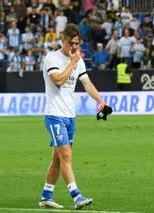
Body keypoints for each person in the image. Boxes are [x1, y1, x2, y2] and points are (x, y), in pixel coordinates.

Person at [39, 23, 106, 210]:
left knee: (58, 159)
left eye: (77, 43)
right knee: (66, 155)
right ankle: (76, 196)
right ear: (63, 40)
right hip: (54, 115)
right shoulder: (52, 58)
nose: (75, 47)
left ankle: (46, 195)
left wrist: (100, 100)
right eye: (71, 43)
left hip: (70, 117)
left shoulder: (78, 61)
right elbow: (59, 81)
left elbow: (87, 84)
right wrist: (72, 62)